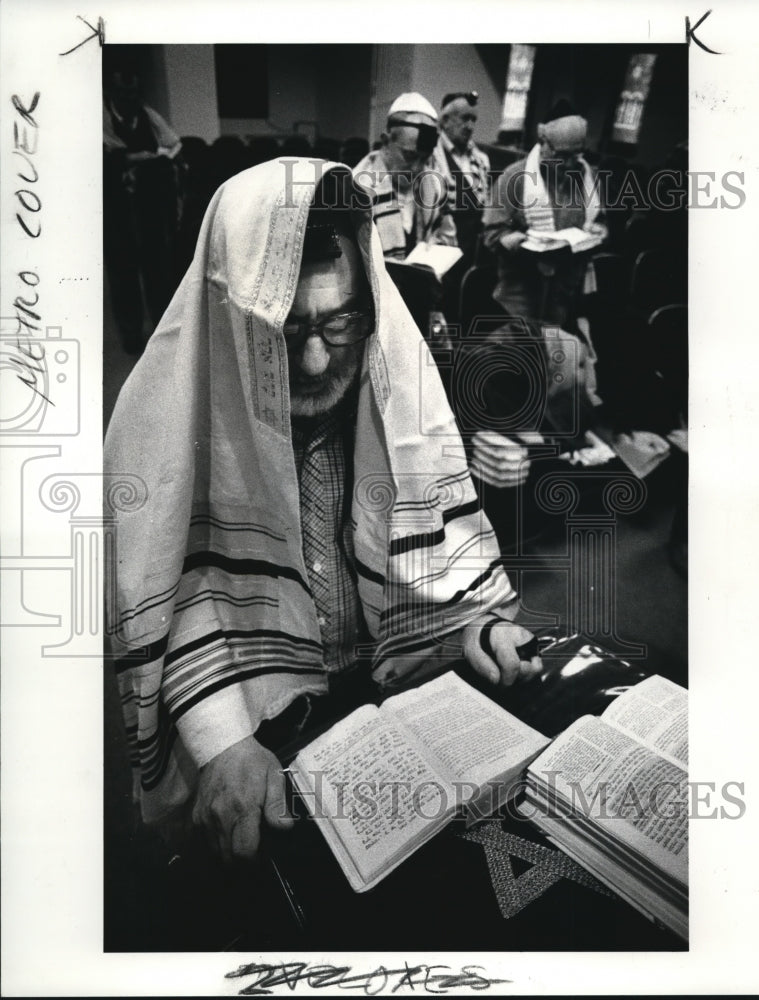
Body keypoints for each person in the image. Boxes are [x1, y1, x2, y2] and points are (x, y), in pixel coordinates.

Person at [105, 157, 542, 862]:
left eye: (339, 323)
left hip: (386, 691)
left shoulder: (394, 391)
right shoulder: (164, 422)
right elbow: (170, 593)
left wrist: (470, 628)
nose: (313, 362)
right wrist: (223, 741)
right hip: (258, 712)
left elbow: (428, 567)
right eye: (283, 332)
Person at [482, 108, 605, 330]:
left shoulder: (584, 177)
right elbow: (492, 233)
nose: (568, 164)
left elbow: (599, 219)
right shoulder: (515, 176)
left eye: (575, 157)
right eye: (561, 156)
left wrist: (599, 231)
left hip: (565, 297)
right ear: (543, 143)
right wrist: (509, 240)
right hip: (519, 296)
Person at [103, 69, 183, 353]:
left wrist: (154, 159)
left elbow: (174, 144)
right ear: (111, 94)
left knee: (157, 271)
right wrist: (128, 159)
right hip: (116, 209)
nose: (130, 99)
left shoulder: (148, 116)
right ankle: (131, 337)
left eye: (135, 93)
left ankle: (162, 332)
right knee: (123, 274)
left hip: (149, 207)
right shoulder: (102, 119)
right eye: (123, 94)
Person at [353, 92, 457, 259]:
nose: (416, 168)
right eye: (409, 156)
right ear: (386, 142)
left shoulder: (435, 185)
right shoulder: (357, 189)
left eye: (424, 159)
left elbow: (446, 237)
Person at [432, 90, 491, 266]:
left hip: (473, 250)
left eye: (473, 120)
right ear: (445, 121)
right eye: (465, 118)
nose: (470, 126)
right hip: (442, 246)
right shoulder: (431, 157)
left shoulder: (481, 160)